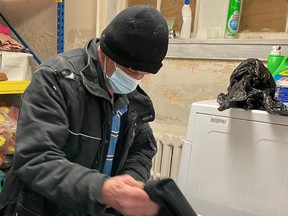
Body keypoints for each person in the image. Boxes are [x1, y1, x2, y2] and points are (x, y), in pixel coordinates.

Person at [0, 5, 169, 216]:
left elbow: (141, 149)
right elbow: (36, 157)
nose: (135, 79)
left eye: (143, 74)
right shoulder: (55, 80)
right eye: (131, 70)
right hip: (45, 209)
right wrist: (102, 189)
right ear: (106, 53)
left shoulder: (131, 97)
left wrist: (129, 184)